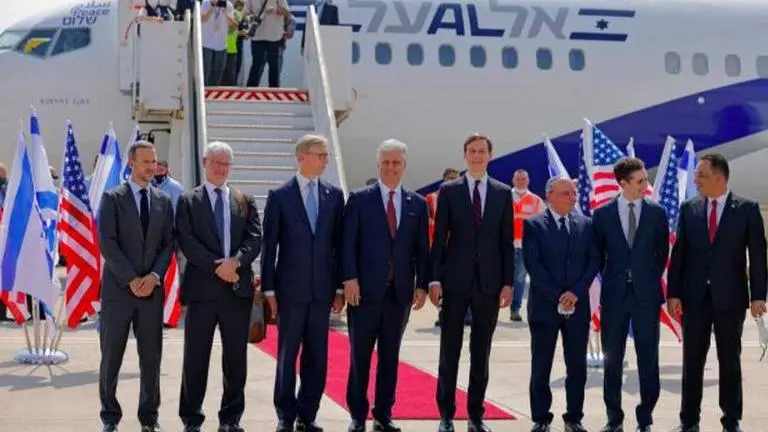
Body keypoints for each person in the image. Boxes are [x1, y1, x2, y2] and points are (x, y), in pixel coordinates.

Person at [668, 153, 767, 432]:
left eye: (701, 175)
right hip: (694, 299)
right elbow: (679, 255)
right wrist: (673, 294)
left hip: (730, 299)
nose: (696, 180)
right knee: (692, 362)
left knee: (730, 361)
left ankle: (731, 420)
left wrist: (759, 295)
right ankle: (689, 421)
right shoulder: (690, 209)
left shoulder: (746, 209)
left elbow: (758, 255)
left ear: (719, 178)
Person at [341, 139, 430, 432]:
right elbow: (347, 244)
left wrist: (422, 285)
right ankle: (357, 415)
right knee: (360, 358)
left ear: (404, 165)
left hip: (399, 294)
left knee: (390, 358)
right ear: (378, 165)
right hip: (364, 293)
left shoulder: (416, 203)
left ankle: (383, 414)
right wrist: (349, 279)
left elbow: (421, 249)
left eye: (396, 163)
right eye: (386, 163)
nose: (391, 168)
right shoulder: (359, 199)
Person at [429, 133, 514, 432]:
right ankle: (446, 415)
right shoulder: (449, 191)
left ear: (490, 155)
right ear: (464, 155)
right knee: (448, 351)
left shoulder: (503, 193)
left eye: (482, 151)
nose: (477, 156)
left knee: (481, 352)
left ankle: (476, 416)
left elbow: (506, 242)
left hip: (489, 285)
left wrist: (508, 282)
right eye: (472, 151)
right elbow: (439, 239)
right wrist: (434, 279)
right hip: (455, 281)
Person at [261, 134, 346, 432]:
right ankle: (285, 414)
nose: (325, 160)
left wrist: (338, 288)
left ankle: (307, 414)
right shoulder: (280, 196)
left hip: (322, 292)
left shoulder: (334, 196)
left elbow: (339, 246)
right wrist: (268, 290)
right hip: (290, 292)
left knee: (317, 357)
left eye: (326, 155)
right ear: (302, 157)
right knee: (287, 355)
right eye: (320, 154)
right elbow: (269, 247)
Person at [176, 141, 263, 432]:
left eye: (226, 164)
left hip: (236, 292)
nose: (221, 168)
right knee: (195, 358)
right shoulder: (188, 201)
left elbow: (254, 239)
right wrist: (218, 267)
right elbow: (187, 241)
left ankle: (231, 418)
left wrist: (235, 263)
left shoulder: (243, 200)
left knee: (235, 359)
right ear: (205, 163)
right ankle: (191, 418)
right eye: (216, 162)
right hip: (202, 292)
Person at [97, 141, 175, 432]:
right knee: (111, 356)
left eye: (154, 162)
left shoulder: (163, 201)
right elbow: (108, 243)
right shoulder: (113, 198)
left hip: (151, 292)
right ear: (131, 163)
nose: (151, 167)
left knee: (151, 358)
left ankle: (149, 418)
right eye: (145, 162)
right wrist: (131, 279)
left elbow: (169, 243)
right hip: (119, 291)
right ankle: (110, 417)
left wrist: (154, 276)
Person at [592, 157, 669, 432]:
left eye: (646, 180)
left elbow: (662, 253)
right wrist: (615, 277)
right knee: (612, 360)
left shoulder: (657, 213)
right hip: (614, 297)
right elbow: (597, 255)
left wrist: (645, 278)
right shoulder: (602, 215)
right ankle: (614, 419)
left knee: (648, 359)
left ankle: (645, 418)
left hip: (646, 297)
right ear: (622, 183)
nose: (645, 185)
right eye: (639, 181)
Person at [524, 176, 599, 432]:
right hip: (545, 307)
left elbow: (593, 262)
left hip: (577, 307)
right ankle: (541, 418)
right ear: (550, 196)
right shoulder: (534, 225)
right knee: (541, 364)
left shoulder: (586, 225)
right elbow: (533, 265)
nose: (572, 197)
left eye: (573, 193)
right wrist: (559, 294)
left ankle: (574, 417)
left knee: (577, 365)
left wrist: (575, 293)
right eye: (566, 193)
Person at [424, 168, 460, 328]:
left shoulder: (464, 197)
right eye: (450, 178)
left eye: (456, 178)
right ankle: (442, 313)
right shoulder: (431, 199)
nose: (453, 181)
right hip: (438, 247)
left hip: (458, 247)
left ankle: (464, 314)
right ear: (443, 179)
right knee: (439, 282)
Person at [510, 169, 544, 322]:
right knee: (496, 278)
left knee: (519, 278)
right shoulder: (504, 196)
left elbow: (543, 224)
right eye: (518, 179)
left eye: (524, 179)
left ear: (528, 180)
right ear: (513, 180)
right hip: (505, 244)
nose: (521, 182)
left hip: (524, 246)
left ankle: (515, 309)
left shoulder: (536, 200)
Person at [245, 0, 292, 87]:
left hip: (275, 37)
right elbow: (245, 13)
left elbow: (287, 13)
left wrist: (276, 10)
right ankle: (251, 94)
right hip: (257, 36)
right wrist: (254, 17)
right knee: (256, 67)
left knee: (275, 68)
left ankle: (274, 95)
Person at [201, 0, 237, 86]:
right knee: (206, 69)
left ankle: (213, 91)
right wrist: (212, 7)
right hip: (206, 42)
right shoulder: (206, 3)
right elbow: (202, 19)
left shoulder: (228, 5)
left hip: (221, 43)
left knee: (219, 70)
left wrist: (226, 13)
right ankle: (203, 92)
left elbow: (233, 25)